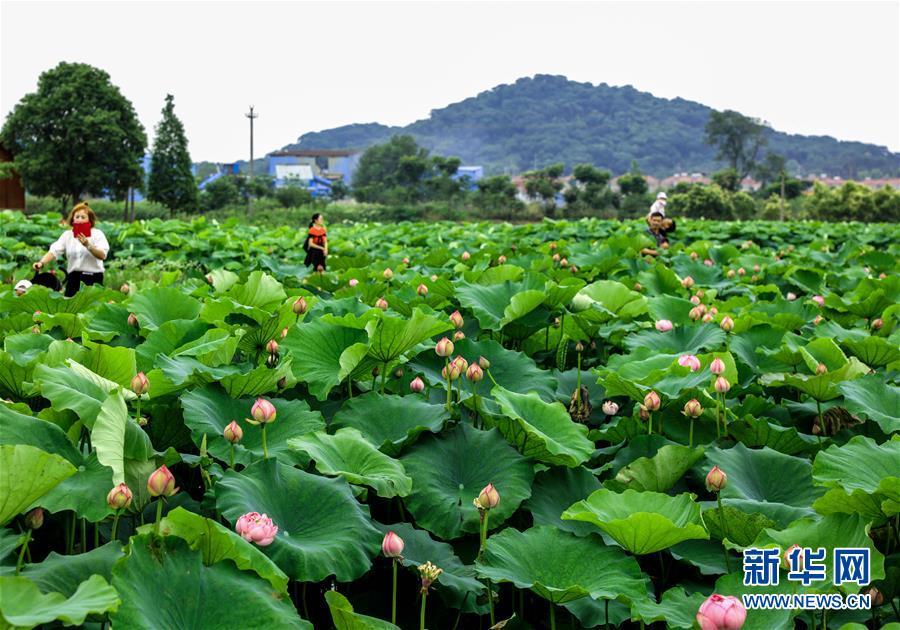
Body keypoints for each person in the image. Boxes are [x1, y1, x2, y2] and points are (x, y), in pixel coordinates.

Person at [33, 202, 110, 297]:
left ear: (89, 219)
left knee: (91, 304)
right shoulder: (67, 235)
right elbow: (54, 251)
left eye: (83, 217)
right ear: (73, 219)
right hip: (73, 278)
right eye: (77, 217)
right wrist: (41, 263)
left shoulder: (97, 234)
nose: (79, 220)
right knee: (69, 303)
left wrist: (88, 245)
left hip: (93, 278)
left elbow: (102, 255)